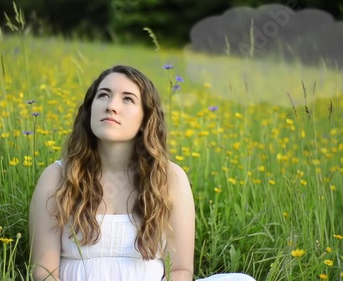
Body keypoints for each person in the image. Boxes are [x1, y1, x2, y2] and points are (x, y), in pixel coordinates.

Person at [29, 65, 256, 281]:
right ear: (90, 109)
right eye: (103, 95)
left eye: (127, 99)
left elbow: (180, 270)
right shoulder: (58, 176)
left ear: (144, 119)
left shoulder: (169, 178)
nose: (111, 105)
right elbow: (44, 272)